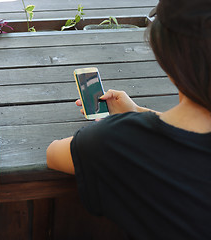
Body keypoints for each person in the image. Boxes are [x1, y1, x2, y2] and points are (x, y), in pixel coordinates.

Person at [47, 0, 211, 239]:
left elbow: (53, 154)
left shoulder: (111, 141)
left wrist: (124, 127)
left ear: (168, 56)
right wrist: (138, 113)